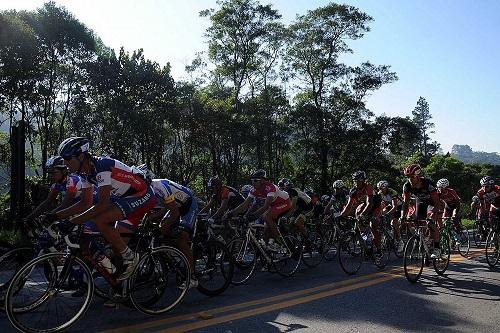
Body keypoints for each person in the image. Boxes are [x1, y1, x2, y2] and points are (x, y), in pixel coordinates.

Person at [50, 137, 156, 281]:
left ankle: (131, 257)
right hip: (125, 198)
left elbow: (103, 204)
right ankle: (121, 282)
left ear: (81, 156)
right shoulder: (85, 173)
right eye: (63, 160)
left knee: (100, 219)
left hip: (142, 194)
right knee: (107, 233)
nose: (66, 164)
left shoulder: (101, 167)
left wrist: (73, 222)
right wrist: (56, 216)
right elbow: (85, 203)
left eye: (68, 159)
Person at [147, 172, 199, 288]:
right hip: (174, 207)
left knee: (182, 239)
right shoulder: (147, 189)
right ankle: (177, 254)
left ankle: (192, 277)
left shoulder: (159, 186)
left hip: (188, 205)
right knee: (162, 231)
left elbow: (175, 213)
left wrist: (162, 227)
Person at [228, 169, 291, 251]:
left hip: (284, 203)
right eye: (252, 180)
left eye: (255, 181)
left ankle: (279, 240)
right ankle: (269, 251)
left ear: (262, 181)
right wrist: (232, 213)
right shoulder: (254, 190)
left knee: (266, 216)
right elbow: (244, 205)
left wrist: (253, 216)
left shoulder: (270, 187)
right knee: (265, 231)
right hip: (273, 206)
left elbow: (265, 206)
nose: (253, 183)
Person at [339, 171, 383, 261]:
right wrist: (342, 215)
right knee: (358, 212)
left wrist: (363, 215)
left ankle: (379, 250)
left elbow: (370, 203)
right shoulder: (353, 190)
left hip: (375, 206)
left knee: (373, 225)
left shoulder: (368, 187)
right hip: (365, 205)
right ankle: (366, 240)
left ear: (363, 181)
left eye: (357, 181)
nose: (356, 183)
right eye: (354, 181)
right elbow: (349, 205)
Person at [400, 164, 441, 258]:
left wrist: (432, 215)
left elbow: (437, 203)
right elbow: (405, 203)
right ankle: (425, 243)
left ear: (418, 176)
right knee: (418, 222)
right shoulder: (407, 186)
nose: (410, 179)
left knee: (430, 223)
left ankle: (437, 248)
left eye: (412, 177)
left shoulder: (428, 184)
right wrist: (402, 216)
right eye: (408, 177)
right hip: (421, 202)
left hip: (432, 202)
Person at [278, 178, 314, 242]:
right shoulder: (287, 193)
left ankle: (308, 240)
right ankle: (296, 239)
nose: (281, 190)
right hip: (300, 208)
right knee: (291, 222)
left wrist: (285, 216)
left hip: (308, 208)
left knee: (298, 222)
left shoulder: (293, 192)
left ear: (287, 187)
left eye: (283, 188)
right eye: (280, 189)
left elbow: (293, 207)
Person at [377, 180, 404, 253]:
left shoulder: (392, 192)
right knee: (381, 214)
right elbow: (382, 204)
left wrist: (387, 214)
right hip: (390, 205)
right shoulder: (380, 193)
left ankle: (400, 241)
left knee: (394, 222)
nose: (381, 190)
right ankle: (388, 231)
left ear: (386, 188)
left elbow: (395, 207)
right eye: (379, 188)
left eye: (382, 188)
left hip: (399, 206)